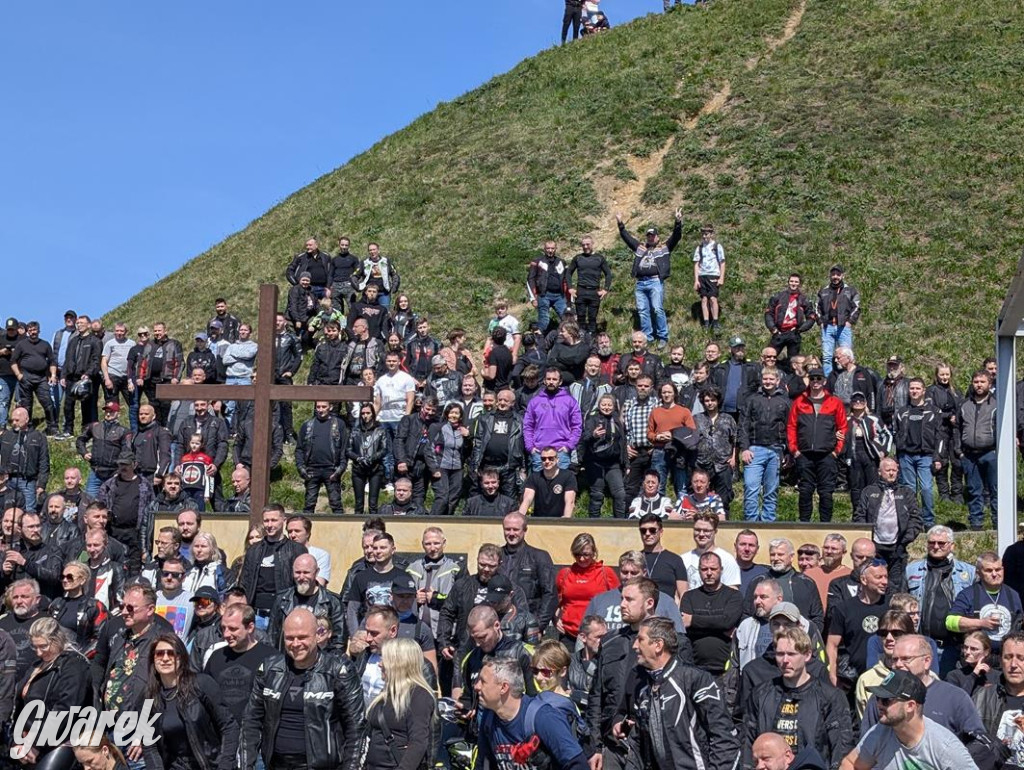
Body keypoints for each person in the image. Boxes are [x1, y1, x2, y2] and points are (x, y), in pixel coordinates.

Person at [241, 608, 365, 770]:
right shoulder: (269, 669)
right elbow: (251, 721)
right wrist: (246, 765)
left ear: (317, 635)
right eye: (289, 638)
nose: (295, 644)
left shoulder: (338, 671)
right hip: (275, 764)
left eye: (302, 637)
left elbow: (356, 727)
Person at [621, 616, 739, 770]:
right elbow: (637, 745)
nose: (635, 646)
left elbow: (725, 738)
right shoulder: (643, 686)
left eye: (640, 639)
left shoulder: (694, 679)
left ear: (658, 645)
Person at [742, 626, 852, 770]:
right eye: (780, 654)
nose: (785, 660)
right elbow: (747, 743)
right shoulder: (760, 694)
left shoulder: (830, 696)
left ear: (807, 655)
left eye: (791, 654)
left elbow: (841, 748)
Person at [138, 632, 239, 770]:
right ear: (153, 659)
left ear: (182, 657)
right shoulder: (148, 697)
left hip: (211, 765)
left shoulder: (202, 684)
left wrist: (225, 765)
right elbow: (149, 745)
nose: (165, 658)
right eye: (159, 654)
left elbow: (229, 726)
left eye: (172, 653)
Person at [841, 670, 978, 770]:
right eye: (877, 698)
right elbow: (850, 763)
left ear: (910, 706)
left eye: (886, 700)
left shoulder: (946, 748)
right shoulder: (880, 732)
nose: (879, 705)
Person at [861, 633, 986, 738]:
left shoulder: (955, 698)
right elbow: (866, 743)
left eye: (906, 659)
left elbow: (977, 743)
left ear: (926, 661)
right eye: (894, 659)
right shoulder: (880, 698)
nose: (898, 664)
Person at [475, 656, 588, 770]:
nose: (476, 686)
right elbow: (482, 765)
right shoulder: (489, 717)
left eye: (482, 682)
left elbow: (578, 764)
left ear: (504, 687)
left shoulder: (543, 717)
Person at [10, 616, 91, 765]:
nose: (39, 652)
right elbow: (19, 705)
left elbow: (66, 708)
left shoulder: (74, 664)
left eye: (43, 646)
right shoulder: (36, 665)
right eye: (35, 647)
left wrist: (36, 743)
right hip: (27, 738)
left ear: (57, 640)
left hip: (60, 740)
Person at [363, 637, 436, 770]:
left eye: (384, 659)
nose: (380, 664)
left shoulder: (419, 695)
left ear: (399, 663)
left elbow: (418, 743)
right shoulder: (386, 694)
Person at [853, 457, 924, 594]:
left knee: (896, 586)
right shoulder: (868, 491)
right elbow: (859, 516)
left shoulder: (906, 492)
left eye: (894, 470)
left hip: (898, 547)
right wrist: (867, 539)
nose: (891, 473)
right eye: (887, 470)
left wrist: (905, 540)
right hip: (875, 547)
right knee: (874, 582)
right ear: (879, 472)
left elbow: (916, 518)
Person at [787, 367, 847, 522]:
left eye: (819, 378)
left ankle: (826, 525)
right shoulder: (799, 402)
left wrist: (836, 451)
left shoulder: (835, 402)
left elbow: (843, 427)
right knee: (805, 491)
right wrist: (794, 450)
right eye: (812, 378)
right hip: (804, 454)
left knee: (826, 493)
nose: (815, 382)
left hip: (827, 455)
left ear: (824, 381)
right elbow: (791, 426)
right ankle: (804, 524)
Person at [617, 209, 682, 348]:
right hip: (640, 283)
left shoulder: (664, 247)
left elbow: (676, 236)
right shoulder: (640, 248)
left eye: (653, 236)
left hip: (655, 281)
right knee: (642, 311)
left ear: (657, 237)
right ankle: (648, 337)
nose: (650, 238)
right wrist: (620, 224)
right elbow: (627, 239)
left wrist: (677, 222)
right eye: (649, 236)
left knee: (657, 309)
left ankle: (663, 336)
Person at [238, 505, 307, 631]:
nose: (269, 525)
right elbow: (244, 582)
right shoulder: (254, 550)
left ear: (284, 520)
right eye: (266, 521)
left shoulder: (296, 550)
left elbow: (302, 583)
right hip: (256, 614)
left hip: (284, 613)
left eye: (274, 520)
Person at [203, 603, 275, 720]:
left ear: (250, 627)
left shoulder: (271, 658)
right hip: (221, 727)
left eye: (233, 629)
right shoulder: (216, 657)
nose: (226, 634)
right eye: (223, 628)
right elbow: (205, 695)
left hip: (255, 727)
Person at [826, 559, 889, 688]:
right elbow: (832, 644)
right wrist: (832, 675)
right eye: (879, 577)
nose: (885, 582)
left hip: (885, 677)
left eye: (886, 577)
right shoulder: (844, 608)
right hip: (852, 679)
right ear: (864, 580)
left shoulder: (891, 607)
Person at [268, 553, 346, 655]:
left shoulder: (332, 602)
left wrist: (327, 662)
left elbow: (339, 642)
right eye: (297, 572)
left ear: (316, 572)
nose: (301, 577)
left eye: (306, 572)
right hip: (286, 659)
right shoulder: (282, 600)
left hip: (319, 661)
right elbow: (272, 636)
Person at [681, 551, 744, 675]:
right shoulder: (689, 596)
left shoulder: (734, 596)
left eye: (713, 569)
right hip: (694, 666)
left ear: (721, 570)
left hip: (726, 668)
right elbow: (686, 628)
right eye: (704, 569)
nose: (709, 573)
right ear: (699, 571)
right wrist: (721, 628)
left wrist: (693, 620)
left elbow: (727, 621)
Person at [740, 367, 790, 522]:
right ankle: (751, 523)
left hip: (776, 450)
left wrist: (788, 452)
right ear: (761, 380)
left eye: (771, 379)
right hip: (755, 449)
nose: (768, 382)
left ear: (777, 381)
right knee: (751, 488)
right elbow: (743, 425)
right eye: (765, 379)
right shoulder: (752, 399)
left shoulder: (785, 401)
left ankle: (768, 523)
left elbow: (790, 427)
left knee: (771, 491)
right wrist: (744, 448)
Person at [892, 378, 943, 528]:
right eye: (912, 388)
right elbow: (896, 434)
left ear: (923, 390)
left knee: (926, 488)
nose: (914, 391)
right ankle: (913, 520)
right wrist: (897, 455)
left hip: (925, 455)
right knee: (909, 489)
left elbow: (940, 436)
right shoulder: (902, 412)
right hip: (906, 455)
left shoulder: (933, 411)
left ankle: (928, 521)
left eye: (917, 388)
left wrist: (938, 457)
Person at [947, 551, 1022, 653]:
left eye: (998, 569)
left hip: (1005, 656)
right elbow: (950, 621)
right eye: (989, 570)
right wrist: (981, 623)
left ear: (1003, 570)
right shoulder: (968, 594)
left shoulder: (1013, 595)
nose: (994, 574)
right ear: (978, 573)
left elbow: (1019, 625)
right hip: (977, 657)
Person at [747, 539, 825, 634]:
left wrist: (808, 637)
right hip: (763, 637)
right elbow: (746, 614)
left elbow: (817, 617)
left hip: (798, 639)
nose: (776, 558)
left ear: (791, 557)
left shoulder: (806, 583)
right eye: (772, 555)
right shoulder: (758, 581)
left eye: (780, 554)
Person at [555, 534, 619, 645]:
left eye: (586, 554)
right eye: (577, 554)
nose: (581, 559)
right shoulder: (565, 574)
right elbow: (552, 601)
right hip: (569, 634)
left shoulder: (606, 573)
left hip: (598, 636)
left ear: (594, 552)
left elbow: (618, 601)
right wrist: (555, 619)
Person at [954, 369, 997, 530]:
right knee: (974, 490)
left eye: (982, 382)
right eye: (976, 382)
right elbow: (957, 428)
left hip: (991, 453)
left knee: (995, 490)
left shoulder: (997, 404)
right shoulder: (964, 405)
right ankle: (976, 524)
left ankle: (998, 523)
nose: (979, 385)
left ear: (989, 384)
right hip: (969, 455)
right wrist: (959, 451)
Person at [500, 513, 558, 630]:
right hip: (500, 623)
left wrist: (538, 626)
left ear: (525, 530)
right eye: (507, 529)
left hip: (528, 623)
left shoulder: (539, 557)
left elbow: (550, 594)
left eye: (516, 529)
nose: (511, 533)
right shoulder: (496, 556)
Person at [296, 400, 348, 514]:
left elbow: (344, 448)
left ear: (330, 407)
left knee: (336, 504)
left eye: (324, 407)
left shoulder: (339, 424)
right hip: (311, 470)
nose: (320, 410)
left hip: (332, 469)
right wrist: (301, 467)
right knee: (309, 504)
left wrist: (340, 469)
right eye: (318, 407)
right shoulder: (307, 425)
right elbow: (299, 449)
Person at [11, 321, 59, 435]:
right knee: (26, 404)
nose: (33, 332)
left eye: (35, 330)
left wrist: (53, 375)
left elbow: (52, 361)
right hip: (26, 377)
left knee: (48, 403)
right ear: (28, 331)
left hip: (41, 378)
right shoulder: (21, 344)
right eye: (31, 330)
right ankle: (26, 428)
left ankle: (52, 427)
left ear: (38, 330)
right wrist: (18, 375)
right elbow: (13, 361)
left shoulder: (45, 344)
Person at [0, 406, 49, 513]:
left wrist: (41, 484)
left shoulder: (38, 437)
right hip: (7, 480)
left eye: (17, 420)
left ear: (26, 419)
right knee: (7, 511)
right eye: (12, 420)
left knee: (29, 512)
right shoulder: (6, 435)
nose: (14, 423)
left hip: (28, 481)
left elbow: (44, 462)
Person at [927, 364, 963, 503]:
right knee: (941, 463)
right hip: (940, 430)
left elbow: (962, 409)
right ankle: (944, 495)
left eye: (947, 374)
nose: (944, 377)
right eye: (942, 374)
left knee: (957, 462)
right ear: (937, 375)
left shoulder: (956, 392)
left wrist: (956, 418)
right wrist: (948, 416)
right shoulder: (931, 391)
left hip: (955, 431)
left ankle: (957, 493)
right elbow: (931, 410)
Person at [816, 265, 860, 377]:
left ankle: (847, 378)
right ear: (830, 276)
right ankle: (828, 380)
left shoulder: (850, 290)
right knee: (827, 357)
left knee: (846, 356)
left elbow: (857, 307)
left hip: (843, 327)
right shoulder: (823, 291)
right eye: (833, 274)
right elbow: (816, 307)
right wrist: (820, 322)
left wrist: (850, 321)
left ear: (842, 276)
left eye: (838, 274)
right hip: (827, 327)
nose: (835, 277)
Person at [765, 273, 818, 361]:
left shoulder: (804, 299)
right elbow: (768, 313)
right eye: (791, 281)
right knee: (769, 357)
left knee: (794, 362)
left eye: (796, 282)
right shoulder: (778, 296)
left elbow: (811, 317)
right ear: (788, 282)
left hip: (794, 334)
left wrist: (800, 329)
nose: (793, 284)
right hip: (779, 332)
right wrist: (773, 328)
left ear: (800, 284)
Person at [682, 513, 741, 588]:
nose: (701, 534)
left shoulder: (727, 559)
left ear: (715, 531)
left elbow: (733, 591)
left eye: (706, 531)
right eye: (697, 530)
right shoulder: (683, 559)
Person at [520, 446, 578, 517]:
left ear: (557, 459)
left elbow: (570, 501)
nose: (547, 461)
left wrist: (566, 520)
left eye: (551, 458)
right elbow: (527, 499)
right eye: (543, 459)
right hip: (538, 519)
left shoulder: (568, 476)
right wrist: (520, 517)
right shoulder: (534, 477)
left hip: (560, 520)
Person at [802, 534, 851, 609]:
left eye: (834, 549)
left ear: (844, 553)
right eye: (826, 548)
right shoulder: (808, 575)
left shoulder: (850, 576)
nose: (829, 551)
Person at [693, 224, 726, 331]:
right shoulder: (699, 248)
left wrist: (721, 277)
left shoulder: (717, 246)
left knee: (712, 298)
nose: (704, 236)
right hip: (702, 275)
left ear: (711, 234)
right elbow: (696, 264)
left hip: (713, 274)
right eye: (703, 234)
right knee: (704, 299)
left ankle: (715, 322)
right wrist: (696, 280)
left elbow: (722, 263)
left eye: (706, 234)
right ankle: (706, 323)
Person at [945, 630, 998, 696]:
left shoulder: (997, 676)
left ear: (986, 652)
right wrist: (974, 675)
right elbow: (959, 699)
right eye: (965, 647)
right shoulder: (954, 676)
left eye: (973, 649)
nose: (967, 652)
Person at [735, 530, 770, 595]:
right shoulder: (724, 571)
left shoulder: (765, 574)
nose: (747, 549)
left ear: (757, 549)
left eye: (751, 545)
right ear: (735, 546)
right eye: (743, 544)